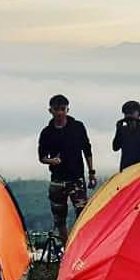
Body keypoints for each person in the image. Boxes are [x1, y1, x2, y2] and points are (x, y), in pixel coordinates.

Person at [38, 94, 96, 243]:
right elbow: (42, 157)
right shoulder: (47, 132)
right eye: (56, 109)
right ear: (50, 110)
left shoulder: (77, 127)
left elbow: (87, 149)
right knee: (59, 217)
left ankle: (79, 246)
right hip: (57, 180)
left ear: (67, 109)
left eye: (62, 109)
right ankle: (66, 247)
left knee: (82, 214)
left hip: (76, 178)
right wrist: (52, 160)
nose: (59, 113)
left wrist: (91, 172)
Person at [112, 100, 140, 172]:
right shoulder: (123, 130)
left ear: (138, 113)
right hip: (126, 169)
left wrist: (134, 125)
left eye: (131, 113)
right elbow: (115, 147)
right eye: (126, 113)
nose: (128, 115)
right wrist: (118, 130)